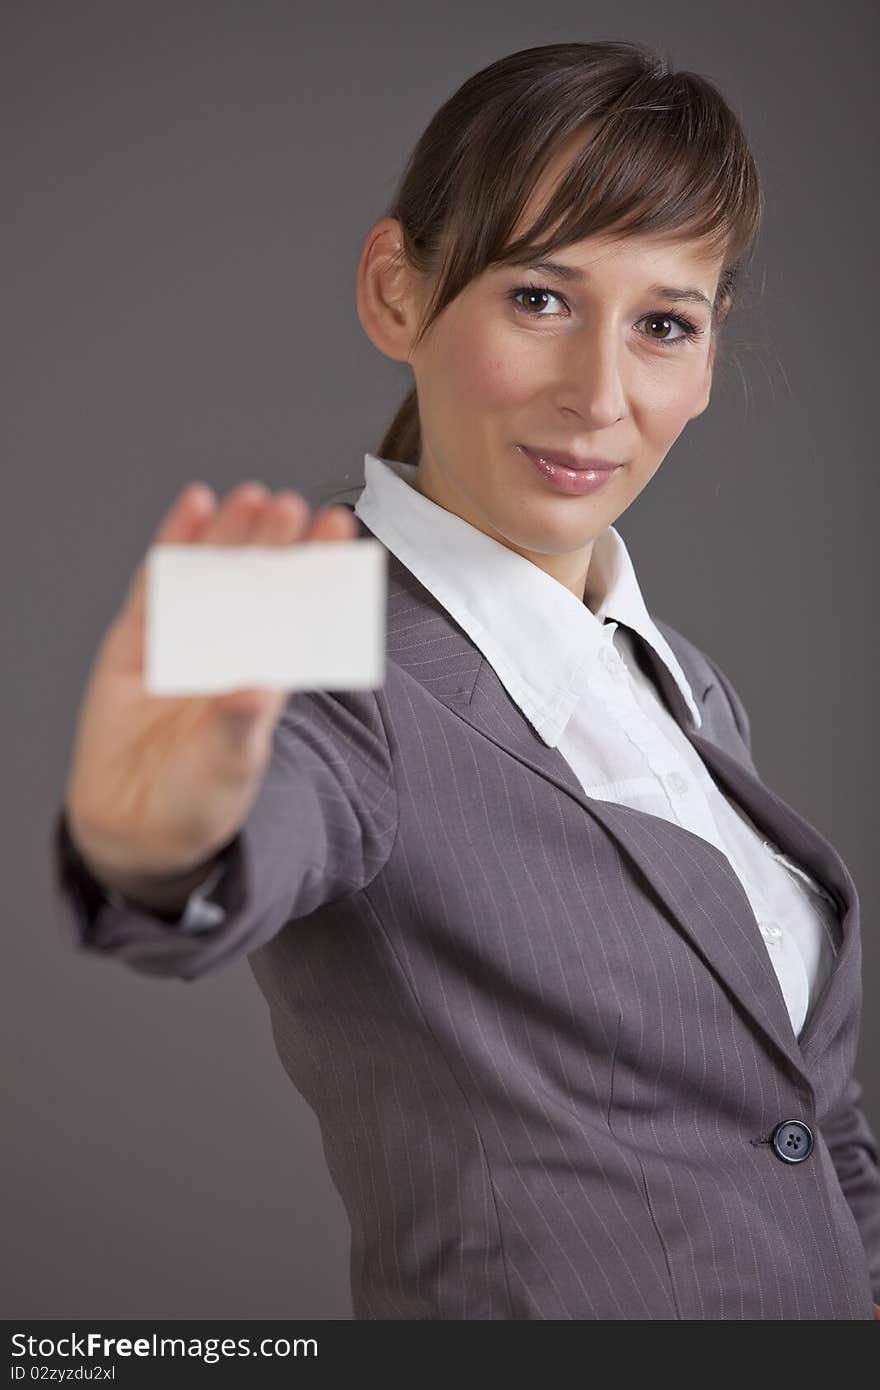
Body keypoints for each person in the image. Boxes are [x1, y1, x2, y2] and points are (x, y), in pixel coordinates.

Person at [50, 40, 880, 1319]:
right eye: (539, 298)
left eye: (663, 324)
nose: (599, 393)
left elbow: (808, 1119)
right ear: (398, 292)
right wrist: (151, 848)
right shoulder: (296, 610)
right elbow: (243, 811)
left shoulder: (688, 684)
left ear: (707, 359)